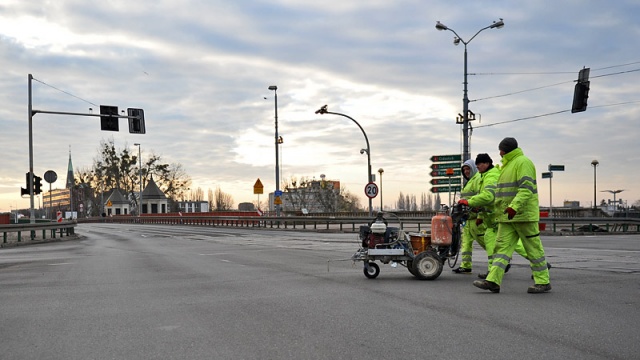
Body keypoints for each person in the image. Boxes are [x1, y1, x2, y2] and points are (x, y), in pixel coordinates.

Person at [473, 137, 551, 294]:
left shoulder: (523, 162)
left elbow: (526, 189)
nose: (499, 153)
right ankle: (493, 281)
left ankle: (543, 281)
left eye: (500, 150)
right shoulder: (506, 166)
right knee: (501, 249)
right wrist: (484, 210)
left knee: (533, 249)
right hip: (506, 217)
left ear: (505, 150)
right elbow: (501, 195)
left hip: (523, 216)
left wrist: (514, 207)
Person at [460, 153, 532, 280]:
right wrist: (481, 215)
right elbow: (484, 201)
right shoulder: (483, 176)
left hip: (498, 217)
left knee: (512, 245)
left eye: (479, 164)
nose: (478, 167)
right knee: (493, 244)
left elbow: (488, 196)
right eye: (476, 164)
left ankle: (537, 263)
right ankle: (492, 272)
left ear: (487, 164)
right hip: (492, 218)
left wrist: (470, 202)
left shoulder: (490, 175)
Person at [452, 159, 481, 274]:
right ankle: (466, 265)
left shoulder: (477, 179)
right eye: (464, 169)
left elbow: (481, 197)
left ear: (473, 168)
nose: (466, 171)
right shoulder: (469, 182)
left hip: (477, 217)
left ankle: (501, 263)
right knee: (466, 243)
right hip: (468, 218)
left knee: (486, 242)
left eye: (468, 169)